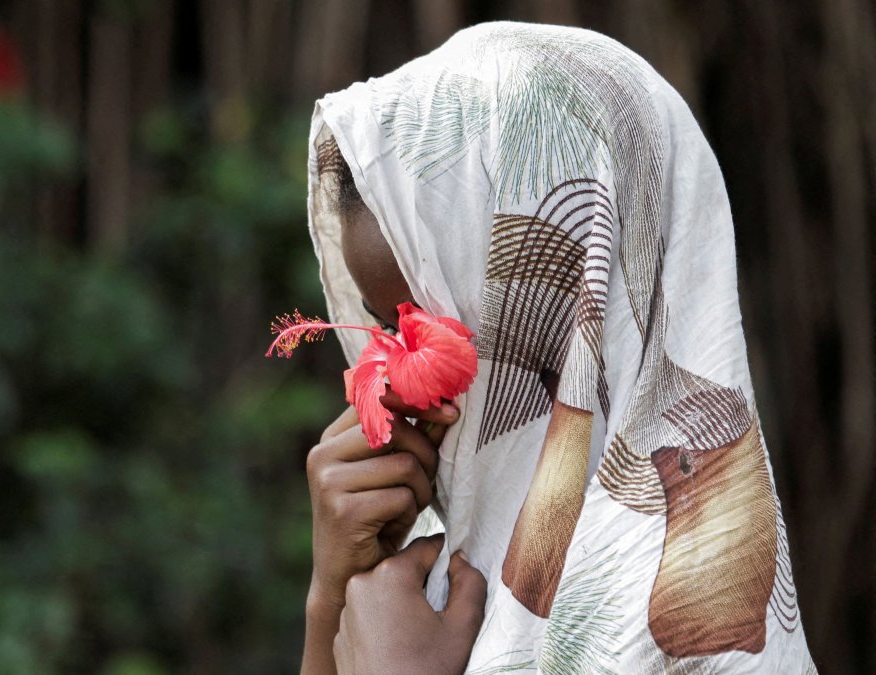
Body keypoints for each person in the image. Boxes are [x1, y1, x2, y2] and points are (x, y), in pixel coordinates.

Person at [300, 22, 815, 674]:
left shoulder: (684, 616)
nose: (395, 389)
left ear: (554, 315)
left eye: (433, 332)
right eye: (384, 329)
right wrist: (330, 599)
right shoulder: (421, 585)